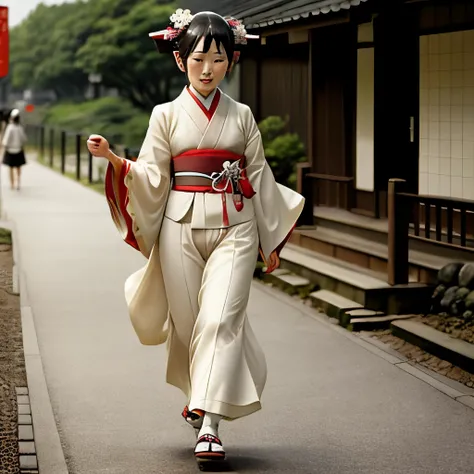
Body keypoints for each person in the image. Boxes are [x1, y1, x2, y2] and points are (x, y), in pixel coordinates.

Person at [87, 9, 304, 463]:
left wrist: (270, 239)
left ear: (232, 62)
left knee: (219, 320)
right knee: (188, 327)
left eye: (218, 59)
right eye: (199, 57)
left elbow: (260, 176)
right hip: (179, 227)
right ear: (180, 60)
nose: (208, 69)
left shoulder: (242, 116)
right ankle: (199, 393)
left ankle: (209, 424)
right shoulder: (165, 115)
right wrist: (115, 160)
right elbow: (150, 174)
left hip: (237, 226)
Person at [2, 109, 27, 190]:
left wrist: (4, 146)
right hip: (19, 149)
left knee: (11, 168)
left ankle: (12, 184)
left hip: (10, 150)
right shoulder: (20, 128)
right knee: (18, 167)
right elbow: (24, 139)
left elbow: (6, 140)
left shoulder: (10, 128)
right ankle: (18, 182)